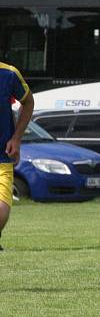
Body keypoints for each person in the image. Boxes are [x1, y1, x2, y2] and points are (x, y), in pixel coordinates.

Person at [0, 62, 34, 251]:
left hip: (1, 155)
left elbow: (28, 101)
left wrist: (16, 138)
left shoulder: (9, 73)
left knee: (2, 205)